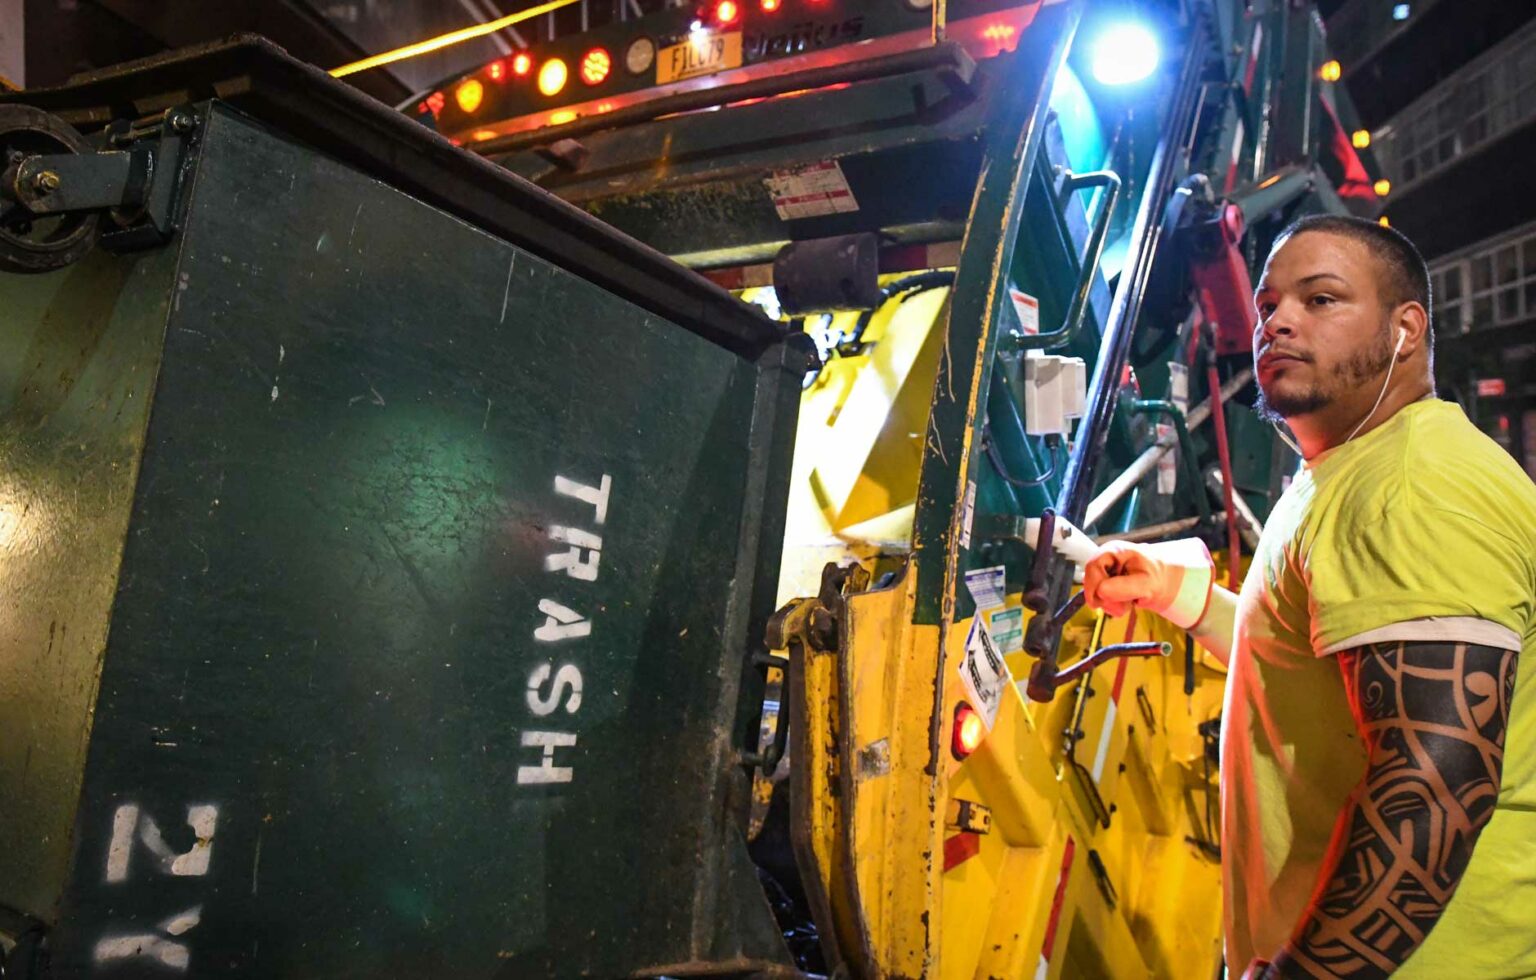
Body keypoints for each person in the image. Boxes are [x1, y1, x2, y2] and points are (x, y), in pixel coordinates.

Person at [1081, 215, 1536, 978]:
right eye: (1268, 305)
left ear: (1405, 330)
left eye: (1321, 299)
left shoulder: (1414, 486)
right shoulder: (1348, 470)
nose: (1278, 321)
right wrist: (1190, 602)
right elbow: (1326, 662)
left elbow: (1434, 783)